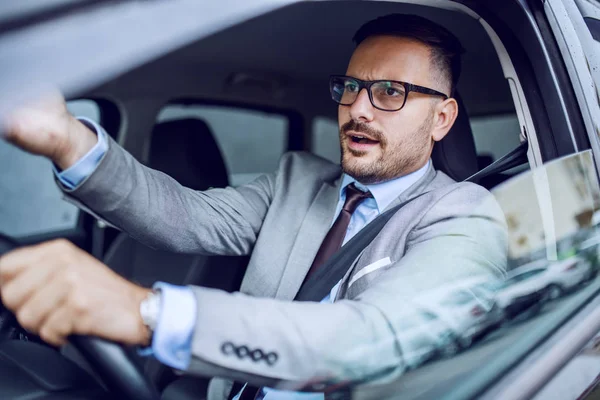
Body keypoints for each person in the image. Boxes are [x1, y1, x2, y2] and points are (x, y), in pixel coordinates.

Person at [0, 13, 507, 400]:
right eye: (351, 87)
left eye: (390, 92)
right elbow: (184, 218)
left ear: (442, 118)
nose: (358, 108)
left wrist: (148, 313)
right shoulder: (297, 181)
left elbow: (369, 337)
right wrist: (66, 141)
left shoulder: (463, 216)